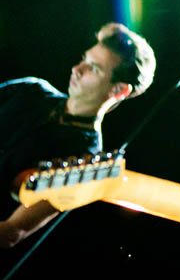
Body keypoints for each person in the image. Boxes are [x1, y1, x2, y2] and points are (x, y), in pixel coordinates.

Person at [0, 22, 156, 248]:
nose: (77, 68)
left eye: (94, 68)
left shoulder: (84, 165)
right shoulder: (30, 89)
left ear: (118, 90)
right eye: (85, 58)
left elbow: (13, 231)